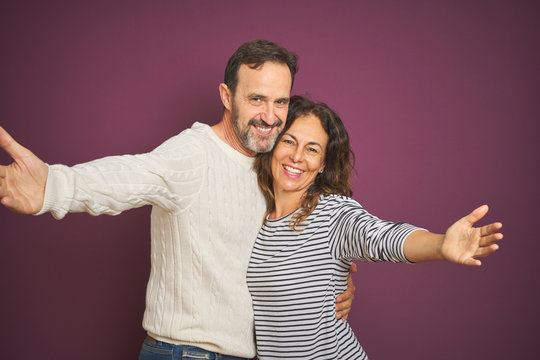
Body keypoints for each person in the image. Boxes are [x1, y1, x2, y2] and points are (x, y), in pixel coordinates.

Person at [0, 40, 356, 360]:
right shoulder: (193, 154)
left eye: (280, 102)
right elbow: (133, 176)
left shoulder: (271, 166)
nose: (269, 115)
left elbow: (293, 243)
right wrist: (52, 187)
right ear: (227, 97)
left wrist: (338, 280)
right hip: (188, 354)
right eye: (256, 99)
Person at [249, 95, 503, 359]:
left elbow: (380, 236)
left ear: (323, 164)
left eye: (312, 149)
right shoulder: (254, 213)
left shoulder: (333, 213)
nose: (297, 156)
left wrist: (440, 245)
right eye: (289, 141)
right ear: (273, 144)